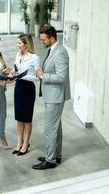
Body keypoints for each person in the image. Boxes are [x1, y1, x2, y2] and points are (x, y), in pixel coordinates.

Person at [33, 25, 71, 170]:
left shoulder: (60, 52)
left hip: (55, 96)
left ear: (52, 37)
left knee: (50, 128)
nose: (42, 42)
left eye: (43, 39)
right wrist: (42, 71)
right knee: (56, 127)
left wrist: (43, 75)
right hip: (51, 95)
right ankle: (56, 155)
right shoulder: (52, 50)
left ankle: (50, 160)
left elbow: (61, 77)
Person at [12, 34, 40, 156]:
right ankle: (19, 143)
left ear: (26, 45)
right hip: (18, 87)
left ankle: (25, 144)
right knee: (19, 118)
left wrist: (22, 75)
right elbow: (16, 69)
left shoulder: (34, 58)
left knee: (27, 119)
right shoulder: (18, 55)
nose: (17, 45)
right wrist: (14, 73)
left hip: (28, 89)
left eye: (19, 43)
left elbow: (37, 76)